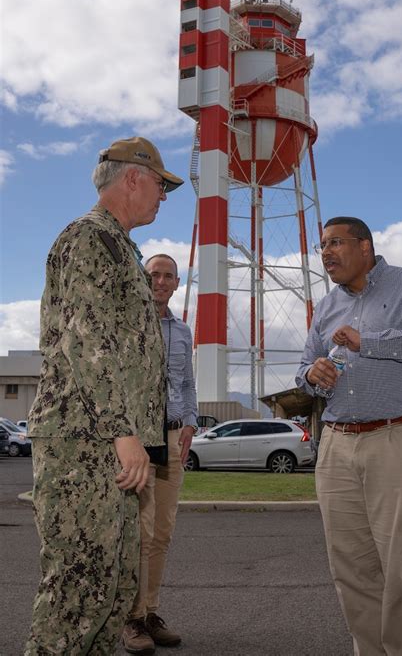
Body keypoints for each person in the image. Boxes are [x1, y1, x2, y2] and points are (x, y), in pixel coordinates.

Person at [25, 137, 184, 655]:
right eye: (160, 185)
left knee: (112, 592)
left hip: (111, 451)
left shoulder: (122, 247)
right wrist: (124, 434)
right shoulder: (89, 239)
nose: (163, 197)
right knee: (76, 593)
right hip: (85, 445)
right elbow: (87, 342)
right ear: (132, 178)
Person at [296, 216, 402, 656]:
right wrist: (313, 374)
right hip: (338, 444)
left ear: (365, 247)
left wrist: (370, 341)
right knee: (351, 570)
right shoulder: (326, 307)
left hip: (398, 439)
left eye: (336, 243)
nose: (326, 252)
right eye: (322, 246)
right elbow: (302, 368)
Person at [122, 253, 198, 654]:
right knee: (142, 532)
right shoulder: (127, 321)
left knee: (163, 532)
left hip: (170, 439)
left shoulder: (182, 331)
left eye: (169, 276)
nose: (162, 281)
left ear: (177, 283)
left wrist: (189, 423)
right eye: (155, 274)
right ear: (143, 277)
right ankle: (131, 619)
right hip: (138, 440)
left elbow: (186, 382)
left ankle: (151, 611)